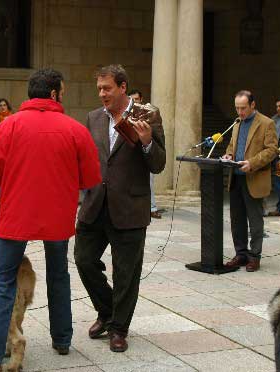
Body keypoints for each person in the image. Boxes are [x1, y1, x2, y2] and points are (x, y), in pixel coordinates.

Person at [0, 68, 101, 372]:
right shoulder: (74, 129)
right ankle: (61, 339)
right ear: (55, 93)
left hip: (16, 215)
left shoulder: (8, 127)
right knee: (58, 274)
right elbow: (91, 178)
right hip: (57, 216)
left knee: (2, 281)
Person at [74, 65, 166, 353]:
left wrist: (147, 141)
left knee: (126, 273)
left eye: (107, 88)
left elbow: (159, 164)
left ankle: (119, 329)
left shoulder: (147, 115)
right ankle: (108, 311)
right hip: (95, 205)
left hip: (129, 206)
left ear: (123, 87)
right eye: (99, 88)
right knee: (84, 260)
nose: (102, 94)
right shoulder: (93, 118)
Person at [221, 90, 278, 272]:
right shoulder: (237, 123)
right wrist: (228, 155)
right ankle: (241, 253)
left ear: (253, 105)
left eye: (243, 108)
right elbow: (232, 145)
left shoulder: (266, 123)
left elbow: (272, 150)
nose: (240, 112)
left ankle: (254, 256)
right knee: (236, 219)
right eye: (237, 108)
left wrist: (252, 163)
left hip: (254, 178)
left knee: (255, 220)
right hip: (236, 178)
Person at [129, 89, 161, 219]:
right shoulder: (127, 114)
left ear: (141, 99)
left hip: (147, 150)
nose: (135, 102)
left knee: (150, 181)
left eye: (137, 99)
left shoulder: (149, 113)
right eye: (132, 99)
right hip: (133, 153)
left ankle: (152, 208)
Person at [266, 96, 280, 217]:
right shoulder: (274, 120)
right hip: (275, 155)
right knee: (278, 183)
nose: (278, 109)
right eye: (277, 106)